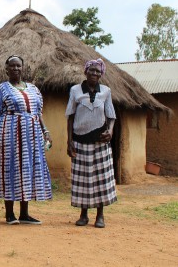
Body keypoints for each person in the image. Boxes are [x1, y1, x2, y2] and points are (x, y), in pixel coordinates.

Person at [0, 55, 52, 225]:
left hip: (32, 134)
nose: (16, 69)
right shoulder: (1, 89)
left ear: (22, 68)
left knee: (27, 170)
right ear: (6, 69)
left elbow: (38, 113)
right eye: (12, 66)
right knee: (10, 168)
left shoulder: (34, 89)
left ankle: (24, 213)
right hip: (9, 133)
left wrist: (45, 131)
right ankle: (9, 214)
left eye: (18, 66)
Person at [66, 58, 117, 228]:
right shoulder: (75, 91)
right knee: (83, 180)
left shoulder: (106, 91)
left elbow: (111, 116)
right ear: (85, 71)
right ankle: (84, 214)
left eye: (98, 71)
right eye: (91, 70)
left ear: (101, 74)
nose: (94, 73)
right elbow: (70, 116)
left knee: (101, 178)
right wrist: (69, 140)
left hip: (100, 141)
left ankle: (100, 215)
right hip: (80, 141)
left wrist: (110, 131)